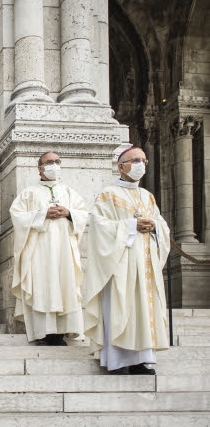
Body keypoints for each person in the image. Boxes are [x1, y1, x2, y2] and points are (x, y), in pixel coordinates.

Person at [85, 147, 170, 375]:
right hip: (120, 263)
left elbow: (161, 224)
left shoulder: (148, 197)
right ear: (121, 166)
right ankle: (118, 361)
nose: (140, 164)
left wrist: (155, 227)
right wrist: (131, 226)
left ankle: (141, 359)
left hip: (145, 264)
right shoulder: (108, 194)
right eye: (135, 160)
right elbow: (98, 227)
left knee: (143, 310)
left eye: (143, 160)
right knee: (122, 308)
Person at [9, 151, 88, 346]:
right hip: (39, 250)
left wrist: (68, 213)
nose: (54, 165)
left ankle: (62, 332)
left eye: (57, 161)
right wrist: (42, 214)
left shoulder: (69, 192)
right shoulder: (29, 193)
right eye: (49, 162)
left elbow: (83, 214)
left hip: (64, 250)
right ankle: (43, 333)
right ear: (40, 167)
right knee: (42, 286)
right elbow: (17, 216)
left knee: (64, 284)